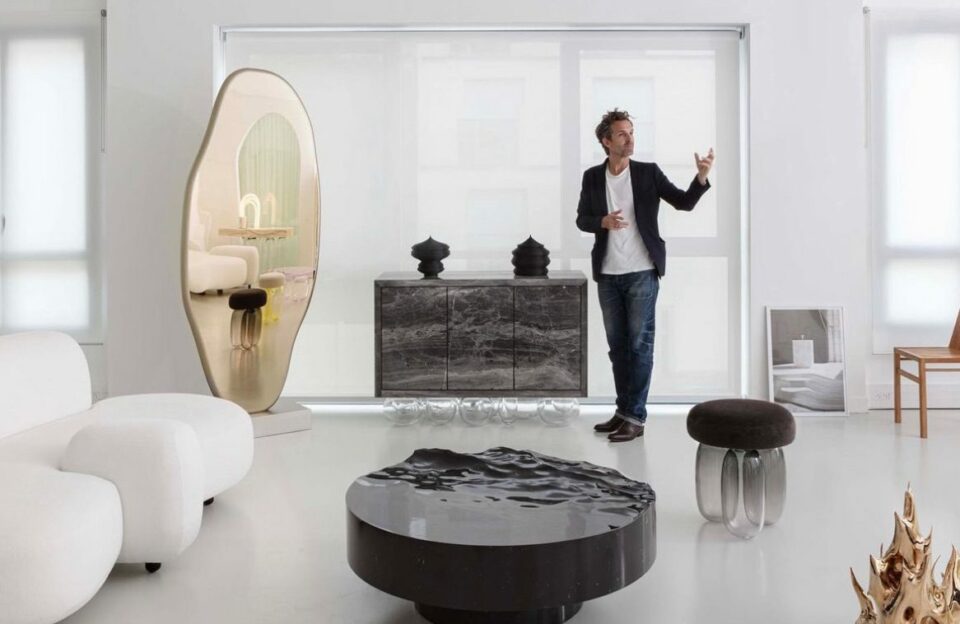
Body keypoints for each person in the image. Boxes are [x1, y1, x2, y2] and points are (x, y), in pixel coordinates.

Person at [576, 109, 714, 442]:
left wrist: (700, 178)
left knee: (639, 347)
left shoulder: (648, 173)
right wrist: (601, 222)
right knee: (617, 348)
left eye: (632, 132)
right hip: (608, 274)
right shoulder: (592, 177)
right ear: (606, 141)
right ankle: (623, 411)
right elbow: (581, 219)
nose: (630, 139)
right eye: (622, 134)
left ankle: (635, 418)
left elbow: (683, 203)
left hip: (641, 273)